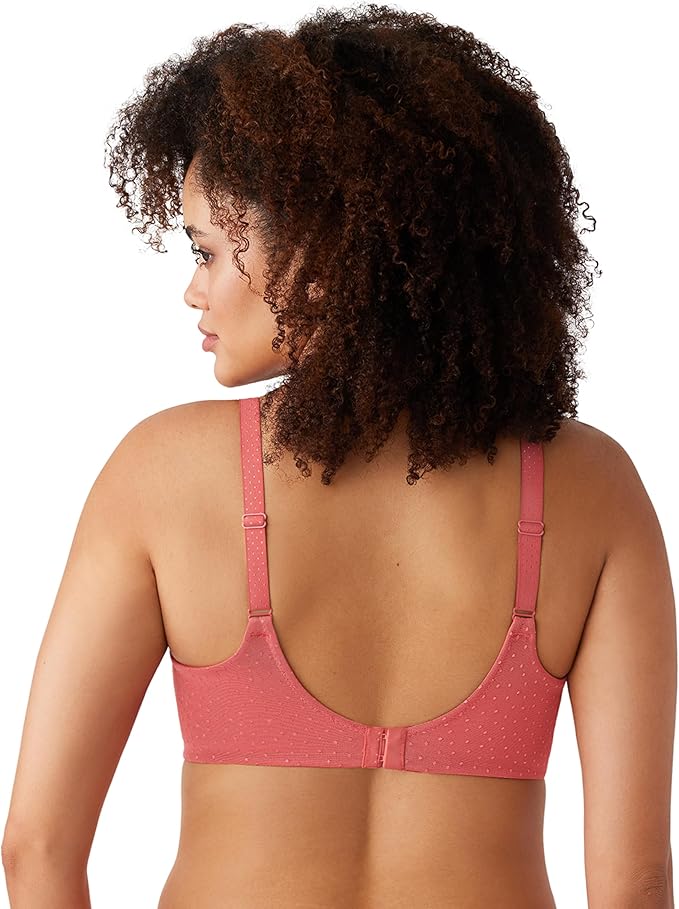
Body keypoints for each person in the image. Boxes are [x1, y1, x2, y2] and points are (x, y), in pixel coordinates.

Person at [2, 5, 675, 908]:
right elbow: (634, 883)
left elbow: (37, 847)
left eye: (207, 250)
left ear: (321, 255)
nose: (193, 290)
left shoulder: (163, 475)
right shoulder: (592, 489)